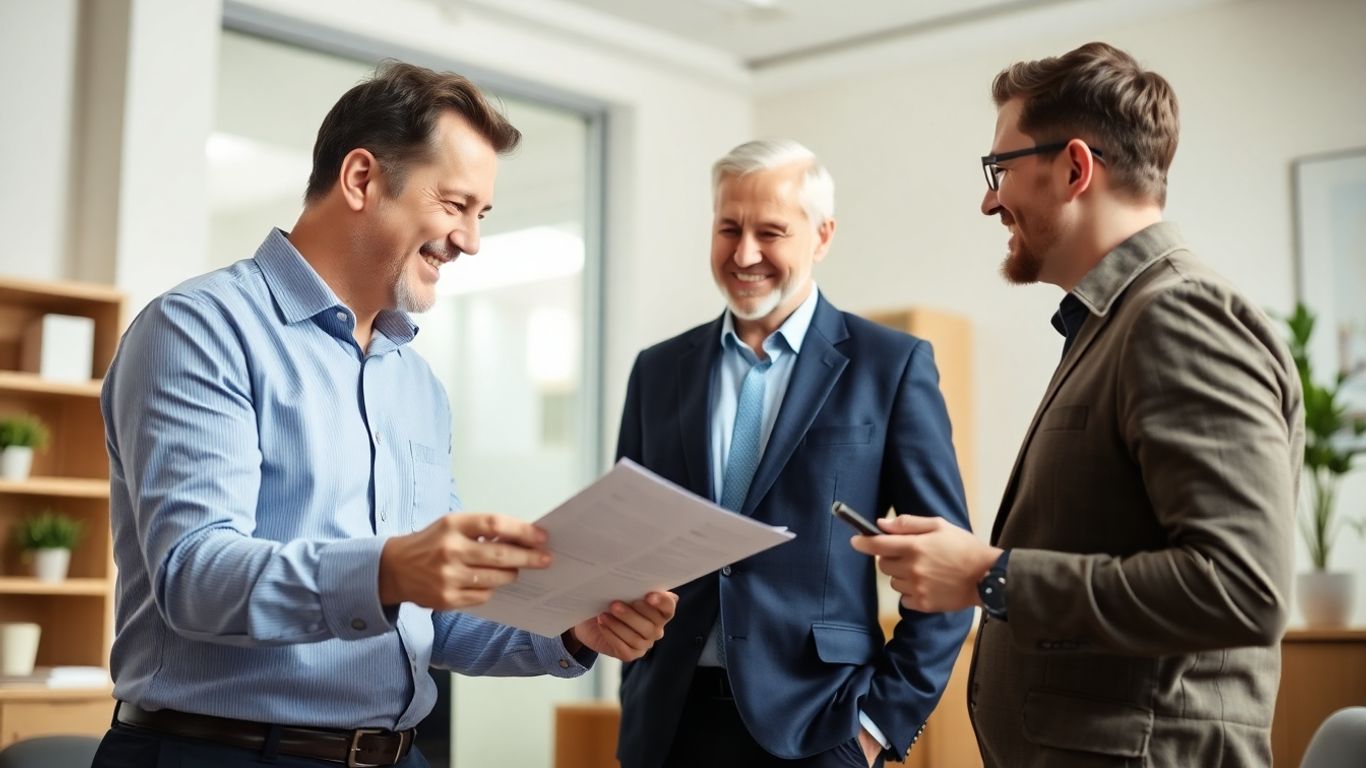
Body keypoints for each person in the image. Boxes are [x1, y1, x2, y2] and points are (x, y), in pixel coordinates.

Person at [93, 61, 676, 768]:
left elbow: (438, 620)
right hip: (219, 752)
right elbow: (196, 575)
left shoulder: (416, 385)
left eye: (481, 216)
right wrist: (387, 570)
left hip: (398, 755)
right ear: (362, 179)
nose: (470, 241)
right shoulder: (199, 330)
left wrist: (572, 630)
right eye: (456, 205)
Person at [852, 42, 1304, 767]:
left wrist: (988, 575)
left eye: (1000, 169)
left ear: (1073, 168)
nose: (989, 199)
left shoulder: (1178, 316)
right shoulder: (1115, 323)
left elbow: (1240, 588)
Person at [614, 139, 972, 768]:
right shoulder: (658, 370)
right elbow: (627, 543)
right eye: (729, 228)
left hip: (821, 729)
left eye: (770, 232)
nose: (744, 253)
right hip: (667, 727)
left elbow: (948, 580)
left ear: (822, 235)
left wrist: (874, 730)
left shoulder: (889, 366)